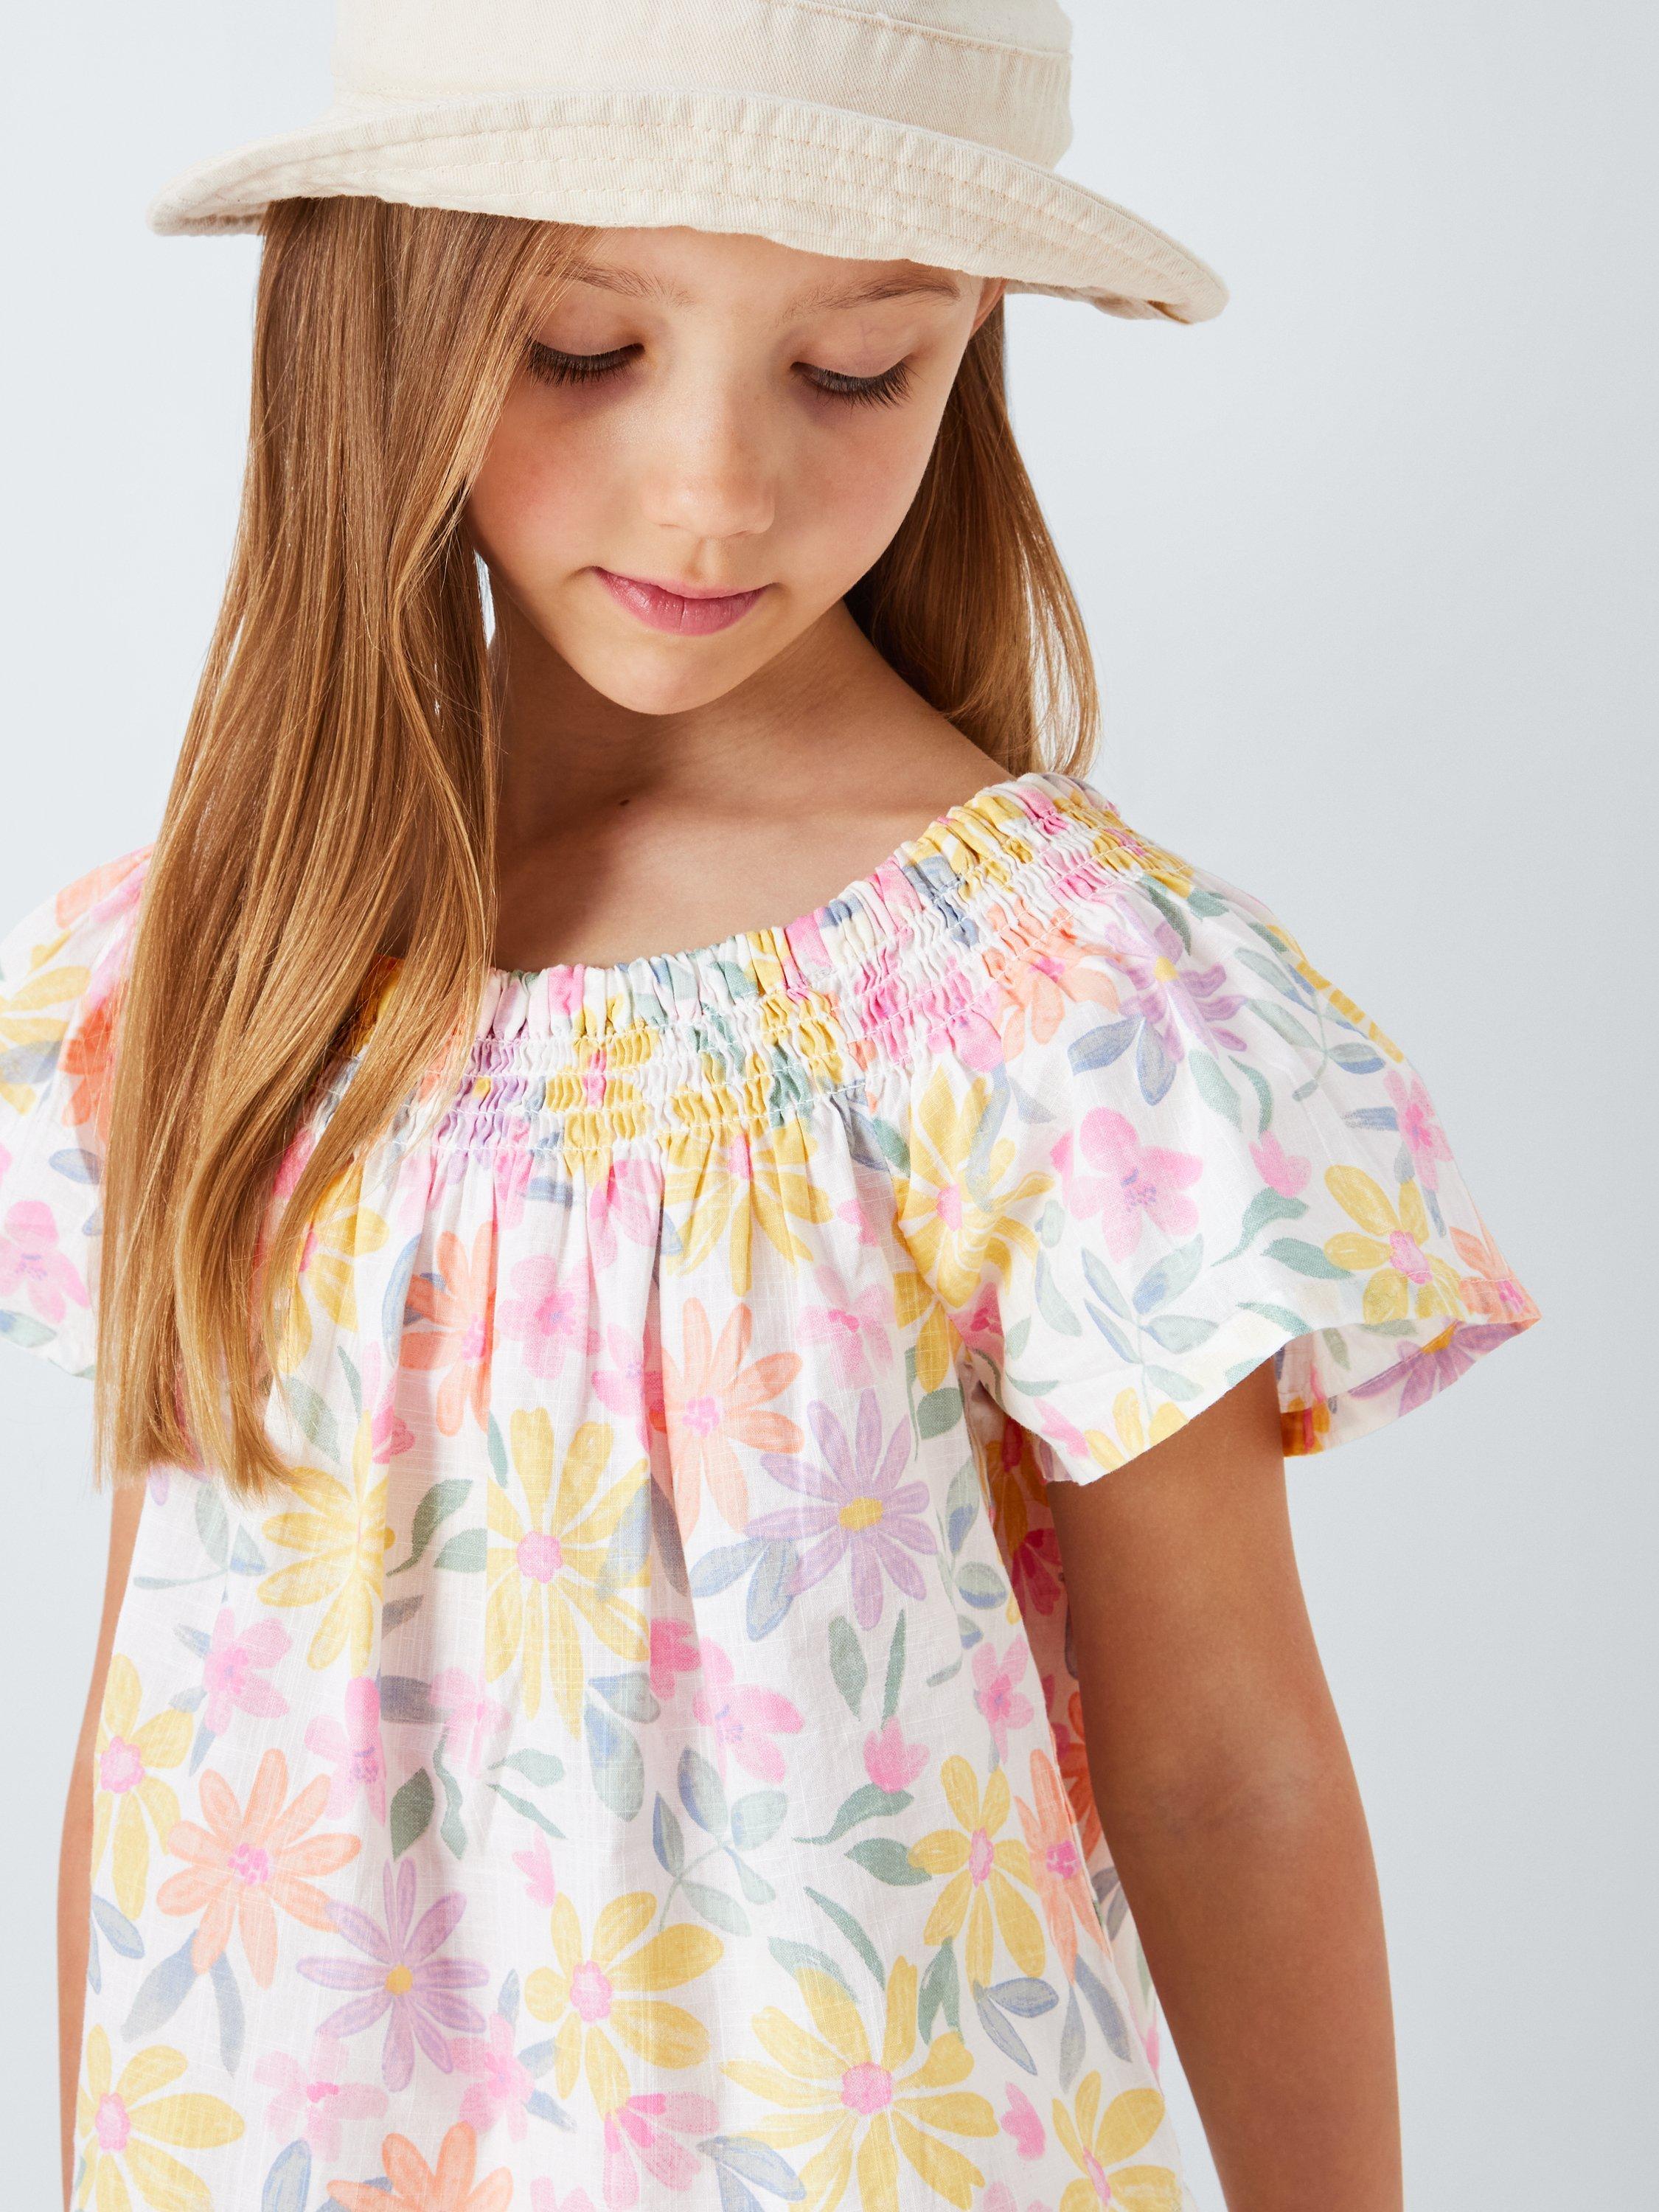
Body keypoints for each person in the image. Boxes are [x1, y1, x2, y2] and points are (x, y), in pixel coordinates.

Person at [0, 5, 1542, 2209]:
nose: (716, 491)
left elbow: (1225, 1770)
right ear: (375, 315)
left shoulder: (1055, 1003)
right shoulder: (219, 968)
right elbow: (157, 1742)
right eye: (582, 350)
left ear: (967, 342)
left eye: (850, 370)